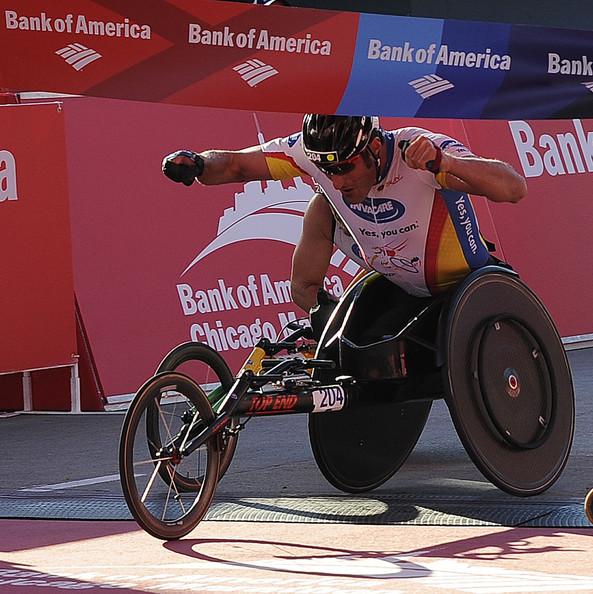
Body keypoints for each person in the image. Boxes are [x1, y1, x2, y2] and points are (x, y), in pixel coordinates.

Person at [162, 115, 526, 315]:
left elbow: (513, 188)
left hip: (467, 288)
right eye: (327, 169)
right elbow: (238, 166)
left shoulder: (415, 151)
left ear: (375, 148)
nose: (337, 181)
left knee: (328, 199)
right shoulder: (313, 155)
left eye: (346, 168)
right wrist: (196, 163)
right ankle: (324, 313)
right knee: (321, 205)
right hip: (398, 290)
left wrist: (445, 161)